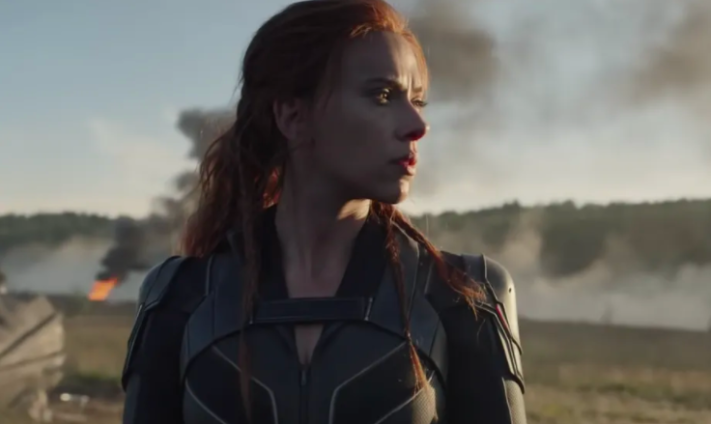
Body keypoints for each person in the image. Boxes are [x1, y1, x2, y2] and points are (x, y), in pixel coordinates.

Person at [121, 0, 526, 423]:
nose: (418, 126)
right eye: (382, 95)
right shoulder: (179, 297)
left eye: (418, 101)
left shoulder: (465, 297)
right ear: (293, 115)